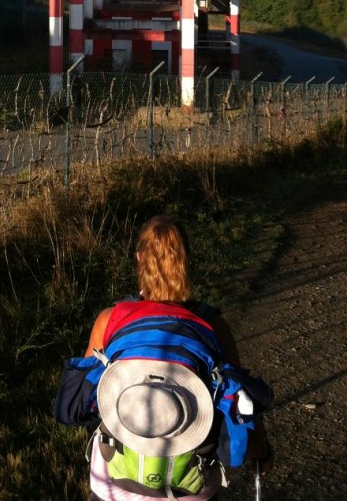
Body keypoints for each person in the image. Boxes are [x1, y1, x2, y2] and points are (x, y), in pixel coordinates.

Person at [83, 214, 273, 500]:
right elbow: (239, 402)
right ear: (186, 261)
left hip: (114, 481)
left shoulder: (109, 321)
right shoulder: (212, 326)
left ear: (138, 259)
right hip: (190, 484)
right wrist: (262, 452)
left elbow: (87, 400)